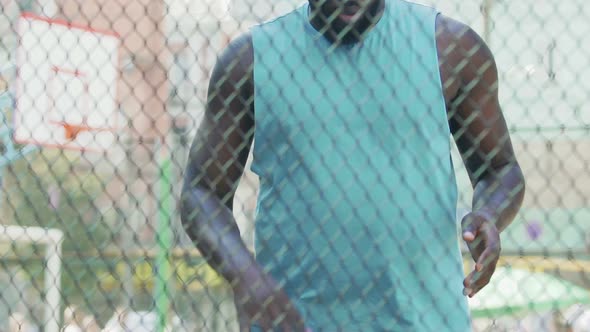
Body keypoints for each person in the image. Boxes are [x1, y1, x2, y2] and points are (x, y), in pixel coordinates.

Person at [180, 0, 526, 331]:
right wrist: (246, 278)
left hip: (427, 322)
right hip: (295, 322)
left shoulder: (451, 49)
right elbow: (201, 192)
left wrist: (489, 215)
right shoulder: (249, 61)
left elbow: (500, 171)